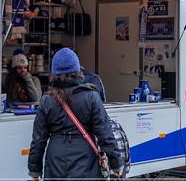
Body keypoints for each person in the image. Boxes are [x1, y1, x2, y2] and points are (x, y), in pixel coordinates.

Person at [28, 48, 122, 180]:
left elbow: (38, 140)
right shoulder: (91, 97)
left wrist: (34, 170)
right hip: (85, 158)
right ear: (78, 71)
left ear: (54, 74)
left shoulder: (47, 100)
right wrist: (115, 164)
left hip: (55, 158)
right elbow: (105, 134)